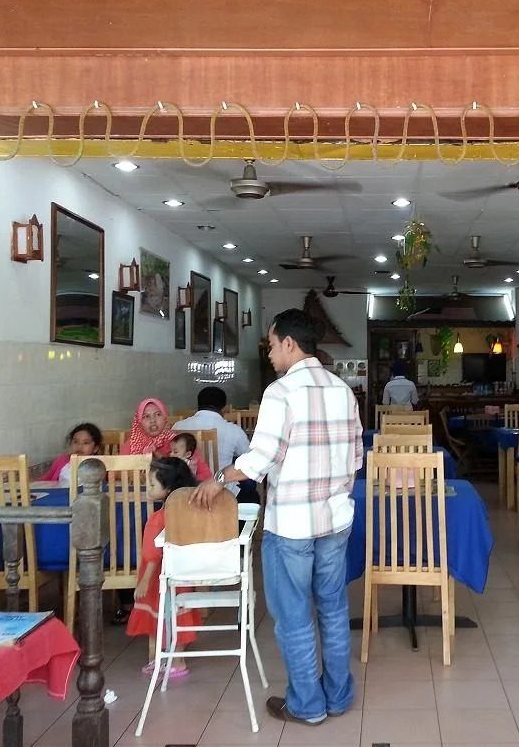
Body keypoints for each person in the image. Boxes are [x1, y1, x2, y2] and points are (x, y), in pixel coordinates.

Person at [190, 308, 363, 727]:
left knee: (294, 615)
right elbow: (356, 458)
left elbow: (261, 458)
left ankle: (308, 704)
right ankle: (338, 696)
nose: (269, 354)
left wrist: (219, 478)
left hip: (292, 525)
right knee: (333, 609)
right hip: (335, 521)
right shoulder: (343, 390)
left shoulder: (281, 392)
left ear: (289, 343)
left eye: (271, 345)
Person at [127, 457, 214, 680]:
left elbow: (152, 554)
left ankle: (174, 662)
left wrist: (144, 581)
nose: (148, 488)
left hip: (158, 577)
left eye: (152, 484)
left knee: (160, 616)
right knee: (176, 615)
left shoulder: (158, 518)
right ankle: (168, 659)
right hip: (181, 575)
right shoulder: (187, 513)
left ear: (168, 490)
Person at [173, 386, 252, 475]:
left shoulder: (177, 426)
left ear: (199, 404)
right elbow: (250, 458)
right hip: (222, 482)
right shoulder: (233, 430)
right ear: (223, 408)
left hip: (184, 482)